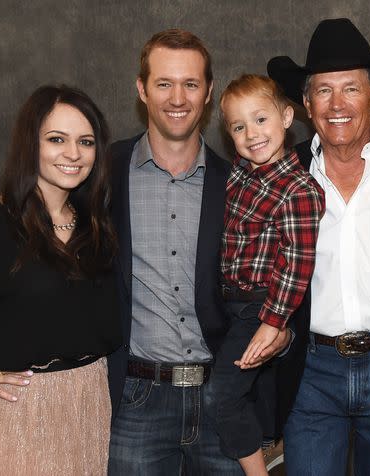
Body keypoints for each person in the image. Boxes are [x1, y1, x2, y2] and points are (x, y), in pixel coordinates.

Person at [106, 31, 290, 475]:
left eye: (190, 84)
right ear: (141, 89)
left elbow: (281, 266)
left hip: (221, 397)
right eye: (164, 83)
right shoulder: (104, 173)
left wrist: (281, 333)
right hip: (136, 399)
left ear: (208, 93)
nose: (177, 97)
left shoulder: (241, 185)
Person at [267, 18, 370, 475]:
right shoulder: (283, 176)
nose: (336, 104)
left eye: (351, 89)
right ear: (305, 104)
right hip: (311, 374)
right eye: (323, 90)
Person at [0, 84, 121, 475]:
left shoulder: (95, 227)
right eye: (57, 139)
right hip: (20, 410)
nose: (73, 154)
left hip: (90, 404)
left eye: (86, 141)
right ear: (31, 144)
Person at [214, 74, 325, 474]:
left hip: (260, 307)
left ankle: (257, 471)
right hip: (229, 301)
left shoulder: (299, 190)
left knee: (223, 396)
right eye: (238, 126)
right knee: (248, 393)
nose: (251, 134)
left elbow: (297, 263)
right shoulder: (241, 172)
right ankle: (269, 443)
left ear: (286, 118)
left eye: (260, 120)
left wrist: (273, 322)